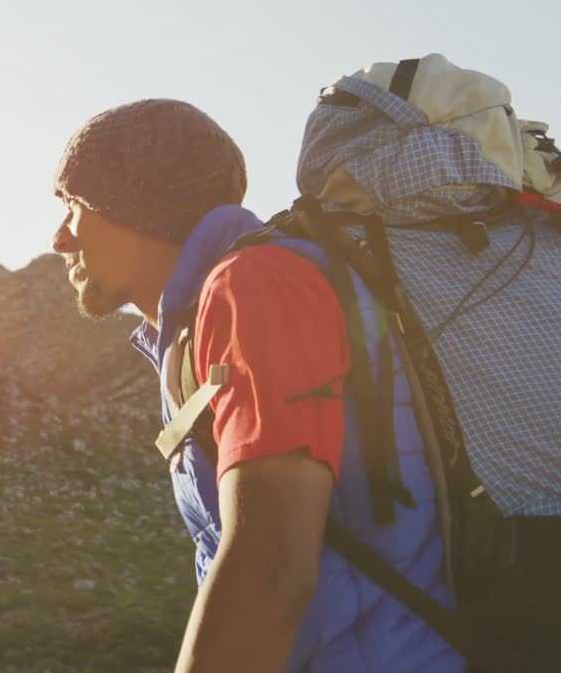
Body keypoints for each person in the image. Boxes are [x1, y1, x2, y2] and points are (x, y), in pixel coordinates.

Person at [49, 99, 464, 672]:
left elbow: (270, 565)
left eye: (72, 206)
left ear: (131, 201)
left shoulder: (255, 285)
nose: (60, 239)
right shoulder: (203, 321)